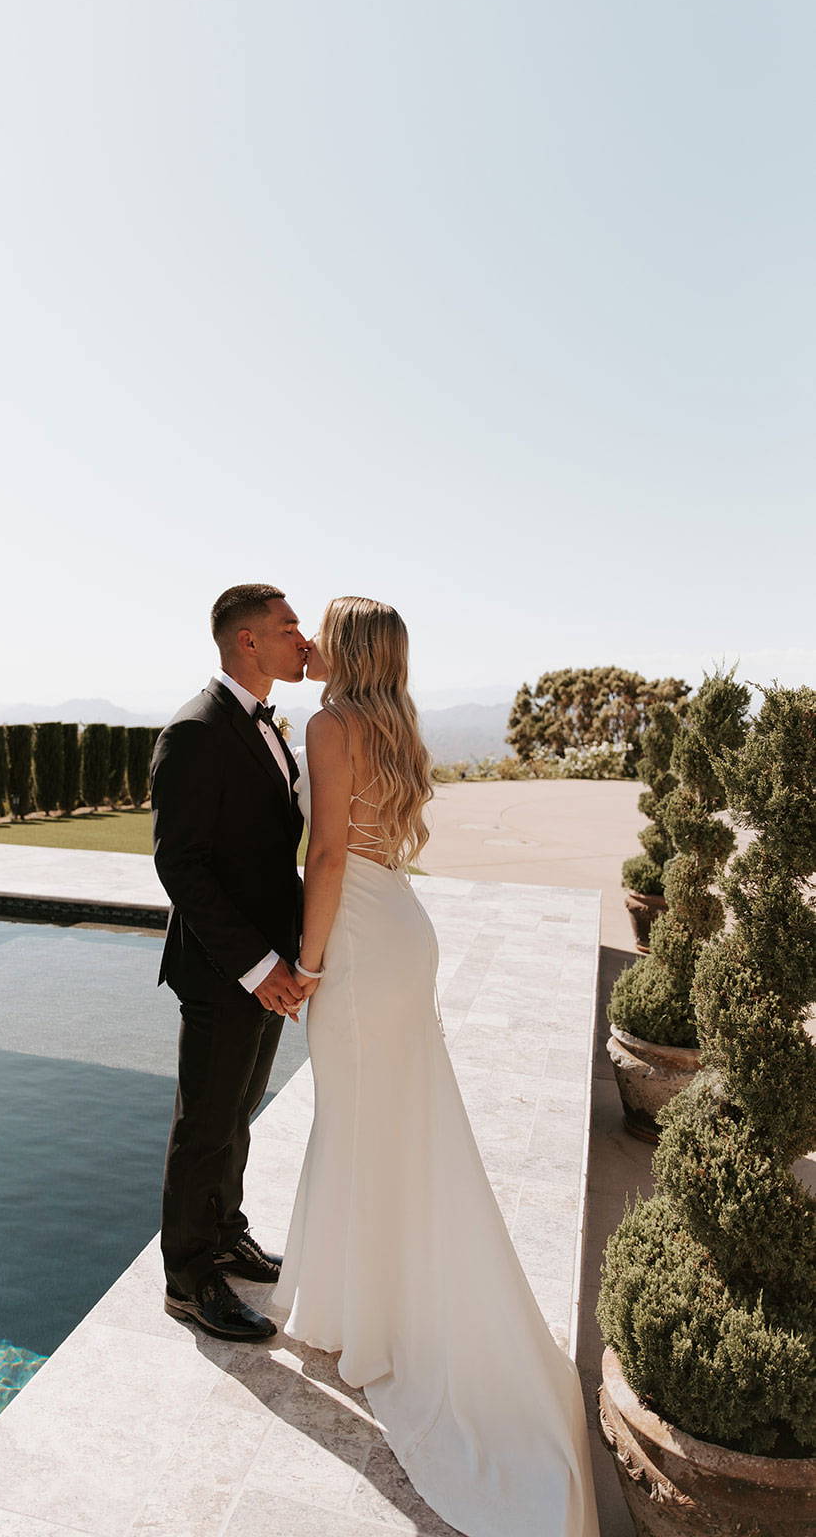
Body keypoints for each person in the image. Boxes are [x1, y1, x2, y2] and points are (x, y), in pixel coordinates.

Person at [271, 596, 600, 1537]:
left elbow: (326, 852)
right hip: (400, 931)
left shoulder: (328, 722)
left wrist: (311, 962)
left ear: (349, 648)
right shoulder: (389, 722)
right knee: (379, 1125)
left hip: (361, 944)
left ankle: (366, 1317)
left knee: (356, 1123)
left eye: (325, 626)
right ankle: (356, 1301)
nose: (315, 640)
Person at [150, 582, 309, 1341]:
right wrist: (256, 966)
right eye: (287, 627)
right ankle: (188, 1279)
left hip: (270, 965)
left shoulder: (268, 725)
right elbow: (181, 867)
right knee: (204, 1124)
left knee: (236, 1114)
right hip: (224, 970)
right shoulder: (195, 731)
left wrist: (295, 954)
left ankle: (225, 1232)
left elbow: (269, 858)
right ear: (247, 640)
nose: (300, 638)